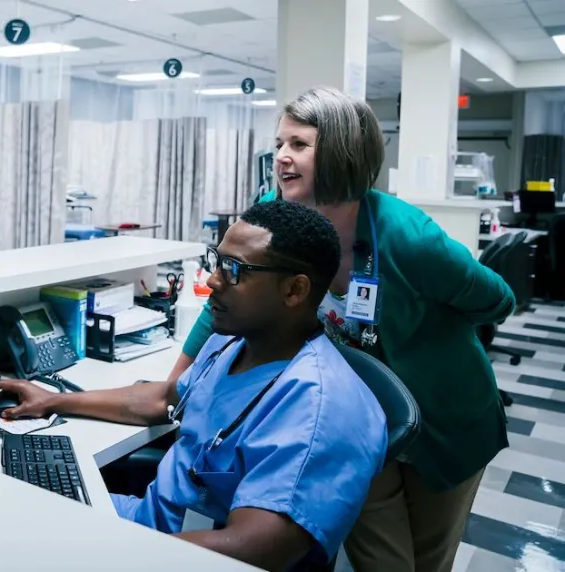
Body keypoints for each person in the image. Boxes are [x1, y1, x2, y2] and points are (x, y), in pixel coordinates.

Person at [173, 86, 516, 572]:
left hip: (448, 419)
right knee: (382, 563)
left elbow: (497, 299)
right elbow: (224, 293)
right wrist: (177, 379)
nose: (281, 158)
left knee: (427, 561)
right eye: (279, 144)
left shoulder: (408, 238)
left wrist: (425, 333)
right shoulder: (275, 212)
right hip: (358, 417)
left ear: (340, 150)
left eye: (299, 144)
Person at [0, 200, 387, 571]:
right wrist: (55, 400)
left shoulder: (319, 408)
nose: (213, 281)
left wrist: (109, 549)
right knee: (0, 500)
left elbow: (252, 548)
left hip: (168, 554)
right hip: (142, 524)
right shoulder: (233, 342)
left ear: (294, 290)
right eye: (217, 261)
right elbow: (162, 397)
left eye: (234, 270)